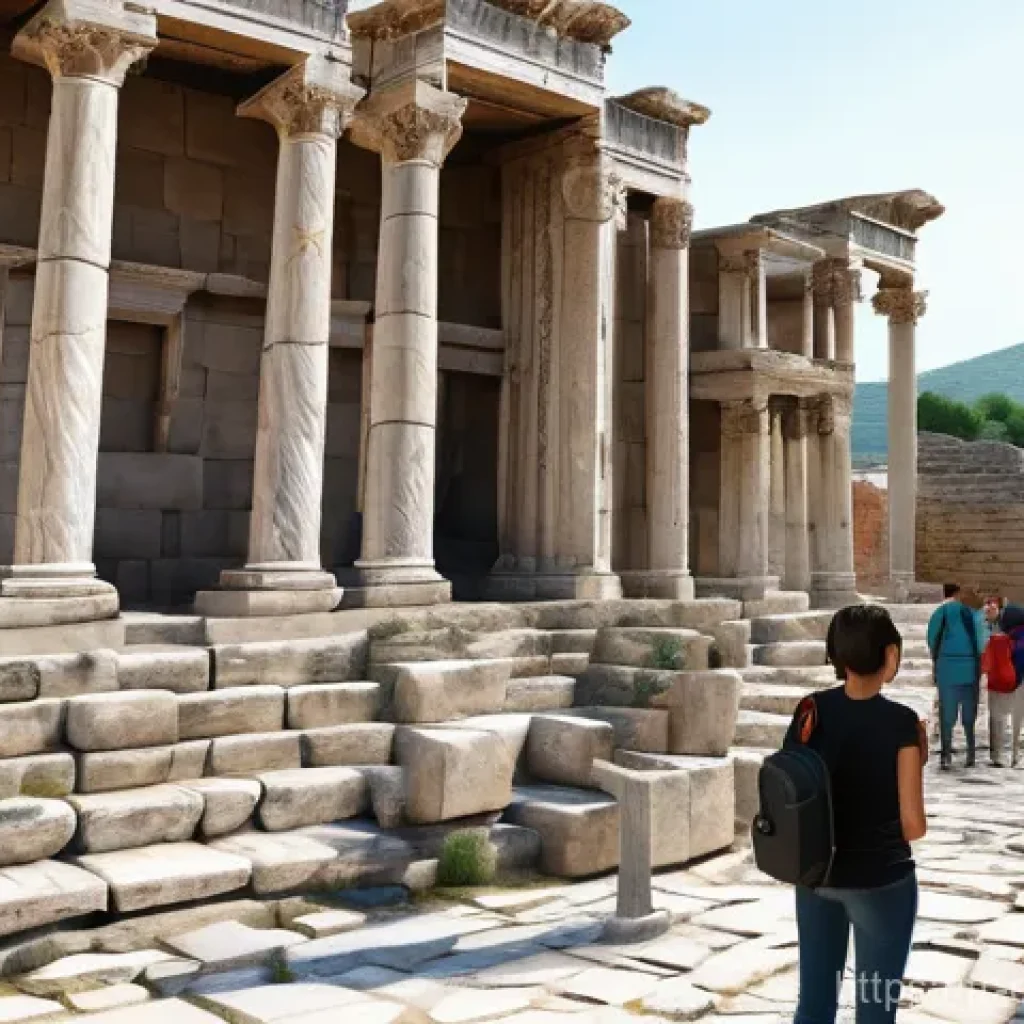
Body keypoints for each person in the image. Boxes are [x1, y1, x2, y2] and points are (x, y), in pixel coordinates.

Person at [789, 605, 926, 1024]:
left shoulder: (809, 711)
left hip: (816, 876)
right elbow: (913, 825)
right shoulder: (901, 723)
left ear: (836, 655)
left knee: (814, 1004)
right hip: (880, 881)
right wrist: (918, 759)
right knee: (875, 1010)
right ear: (891, 656)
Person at [927, 584, 985, 770]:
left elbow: (931, 637)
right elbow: (981, 641)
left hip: (947, 668)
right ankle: (970, 754)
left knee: (947, 714)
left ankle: (946, 755)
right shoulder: (973, 614)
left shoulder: (941, 612)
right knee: (969, 714)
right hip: (970, 668)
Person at [987, 603, 1024, 768]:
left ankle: (998, 755)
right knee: (1019, 722)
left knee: (998, 718)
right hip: (1018, 684)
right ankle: (1016, 755)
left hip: (1004, 684)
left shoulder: (1001, 639)